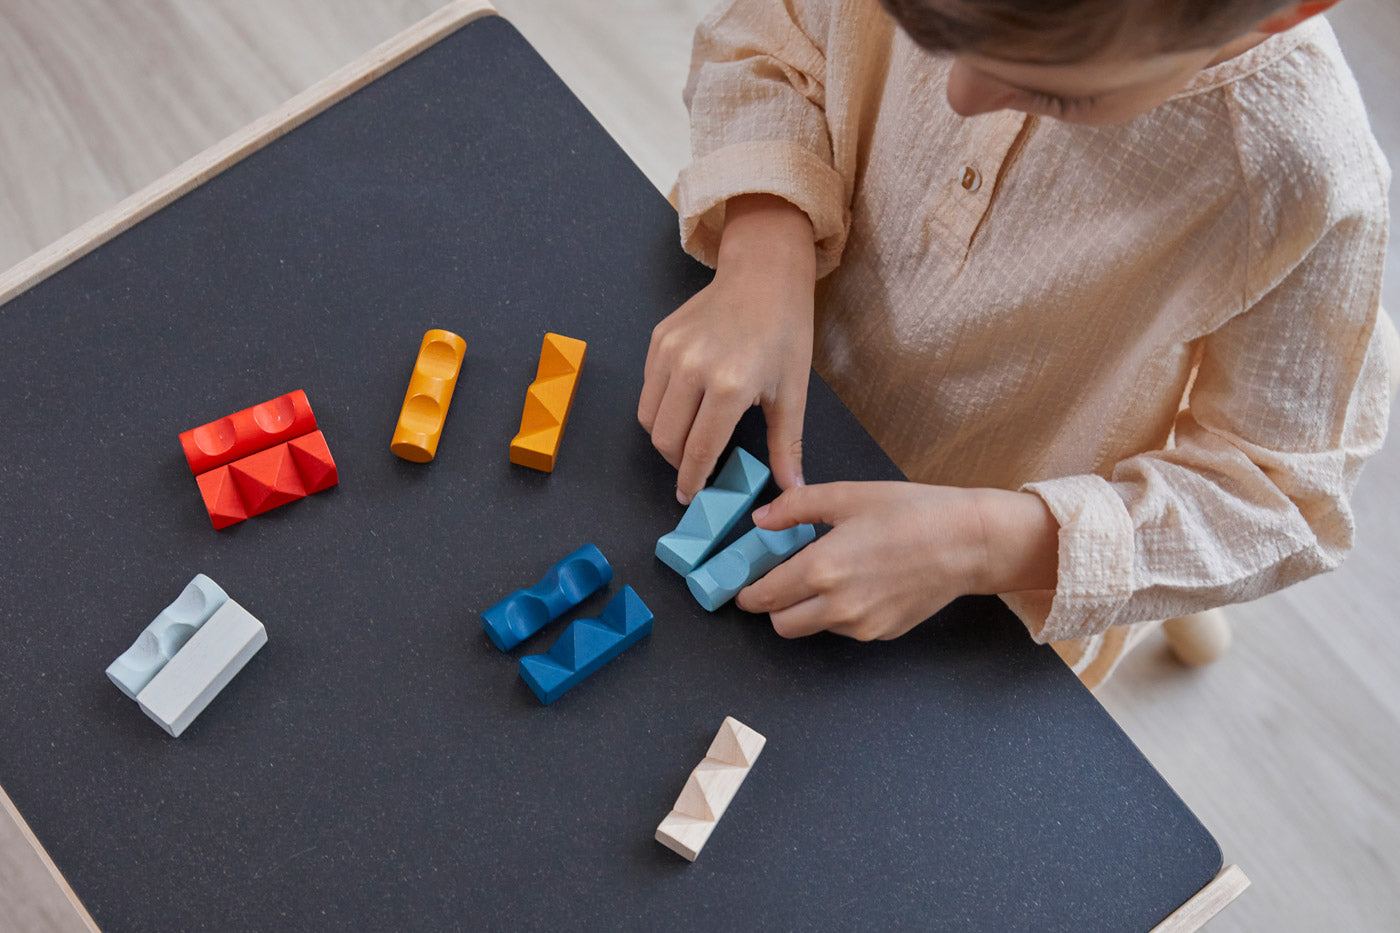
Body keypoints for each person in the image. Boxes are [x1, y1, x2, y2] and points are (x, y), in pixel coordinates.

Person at [637, 0, 1394, 686]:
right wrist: (765, 240)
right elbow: (773, 28)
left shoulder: (1304, 175)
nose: (958, 94)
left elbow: (1276, 494)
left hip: (974, 556)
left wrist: (979, 544)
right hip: (736, 339)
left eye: (1057, 91)